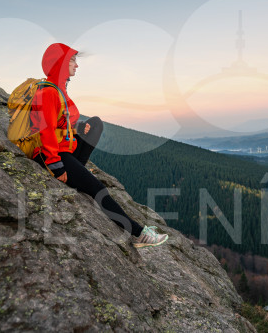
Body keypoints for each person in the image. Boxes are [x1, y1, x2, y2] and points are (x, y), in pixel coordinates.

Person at [29, 42, 168, 248]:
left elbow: (60, 121)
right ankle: (139, 234)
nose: (77, 65)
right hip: (52, 156)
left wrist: (78, 127)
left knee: (95, 124)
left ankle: (78, 173)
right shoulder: (48, 92)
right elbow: (46, 130)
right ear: (61, 63)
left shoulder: (59, 90)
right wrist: (56, 165)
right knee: (97, 188)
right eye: (73, 60)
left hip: (64, 149)